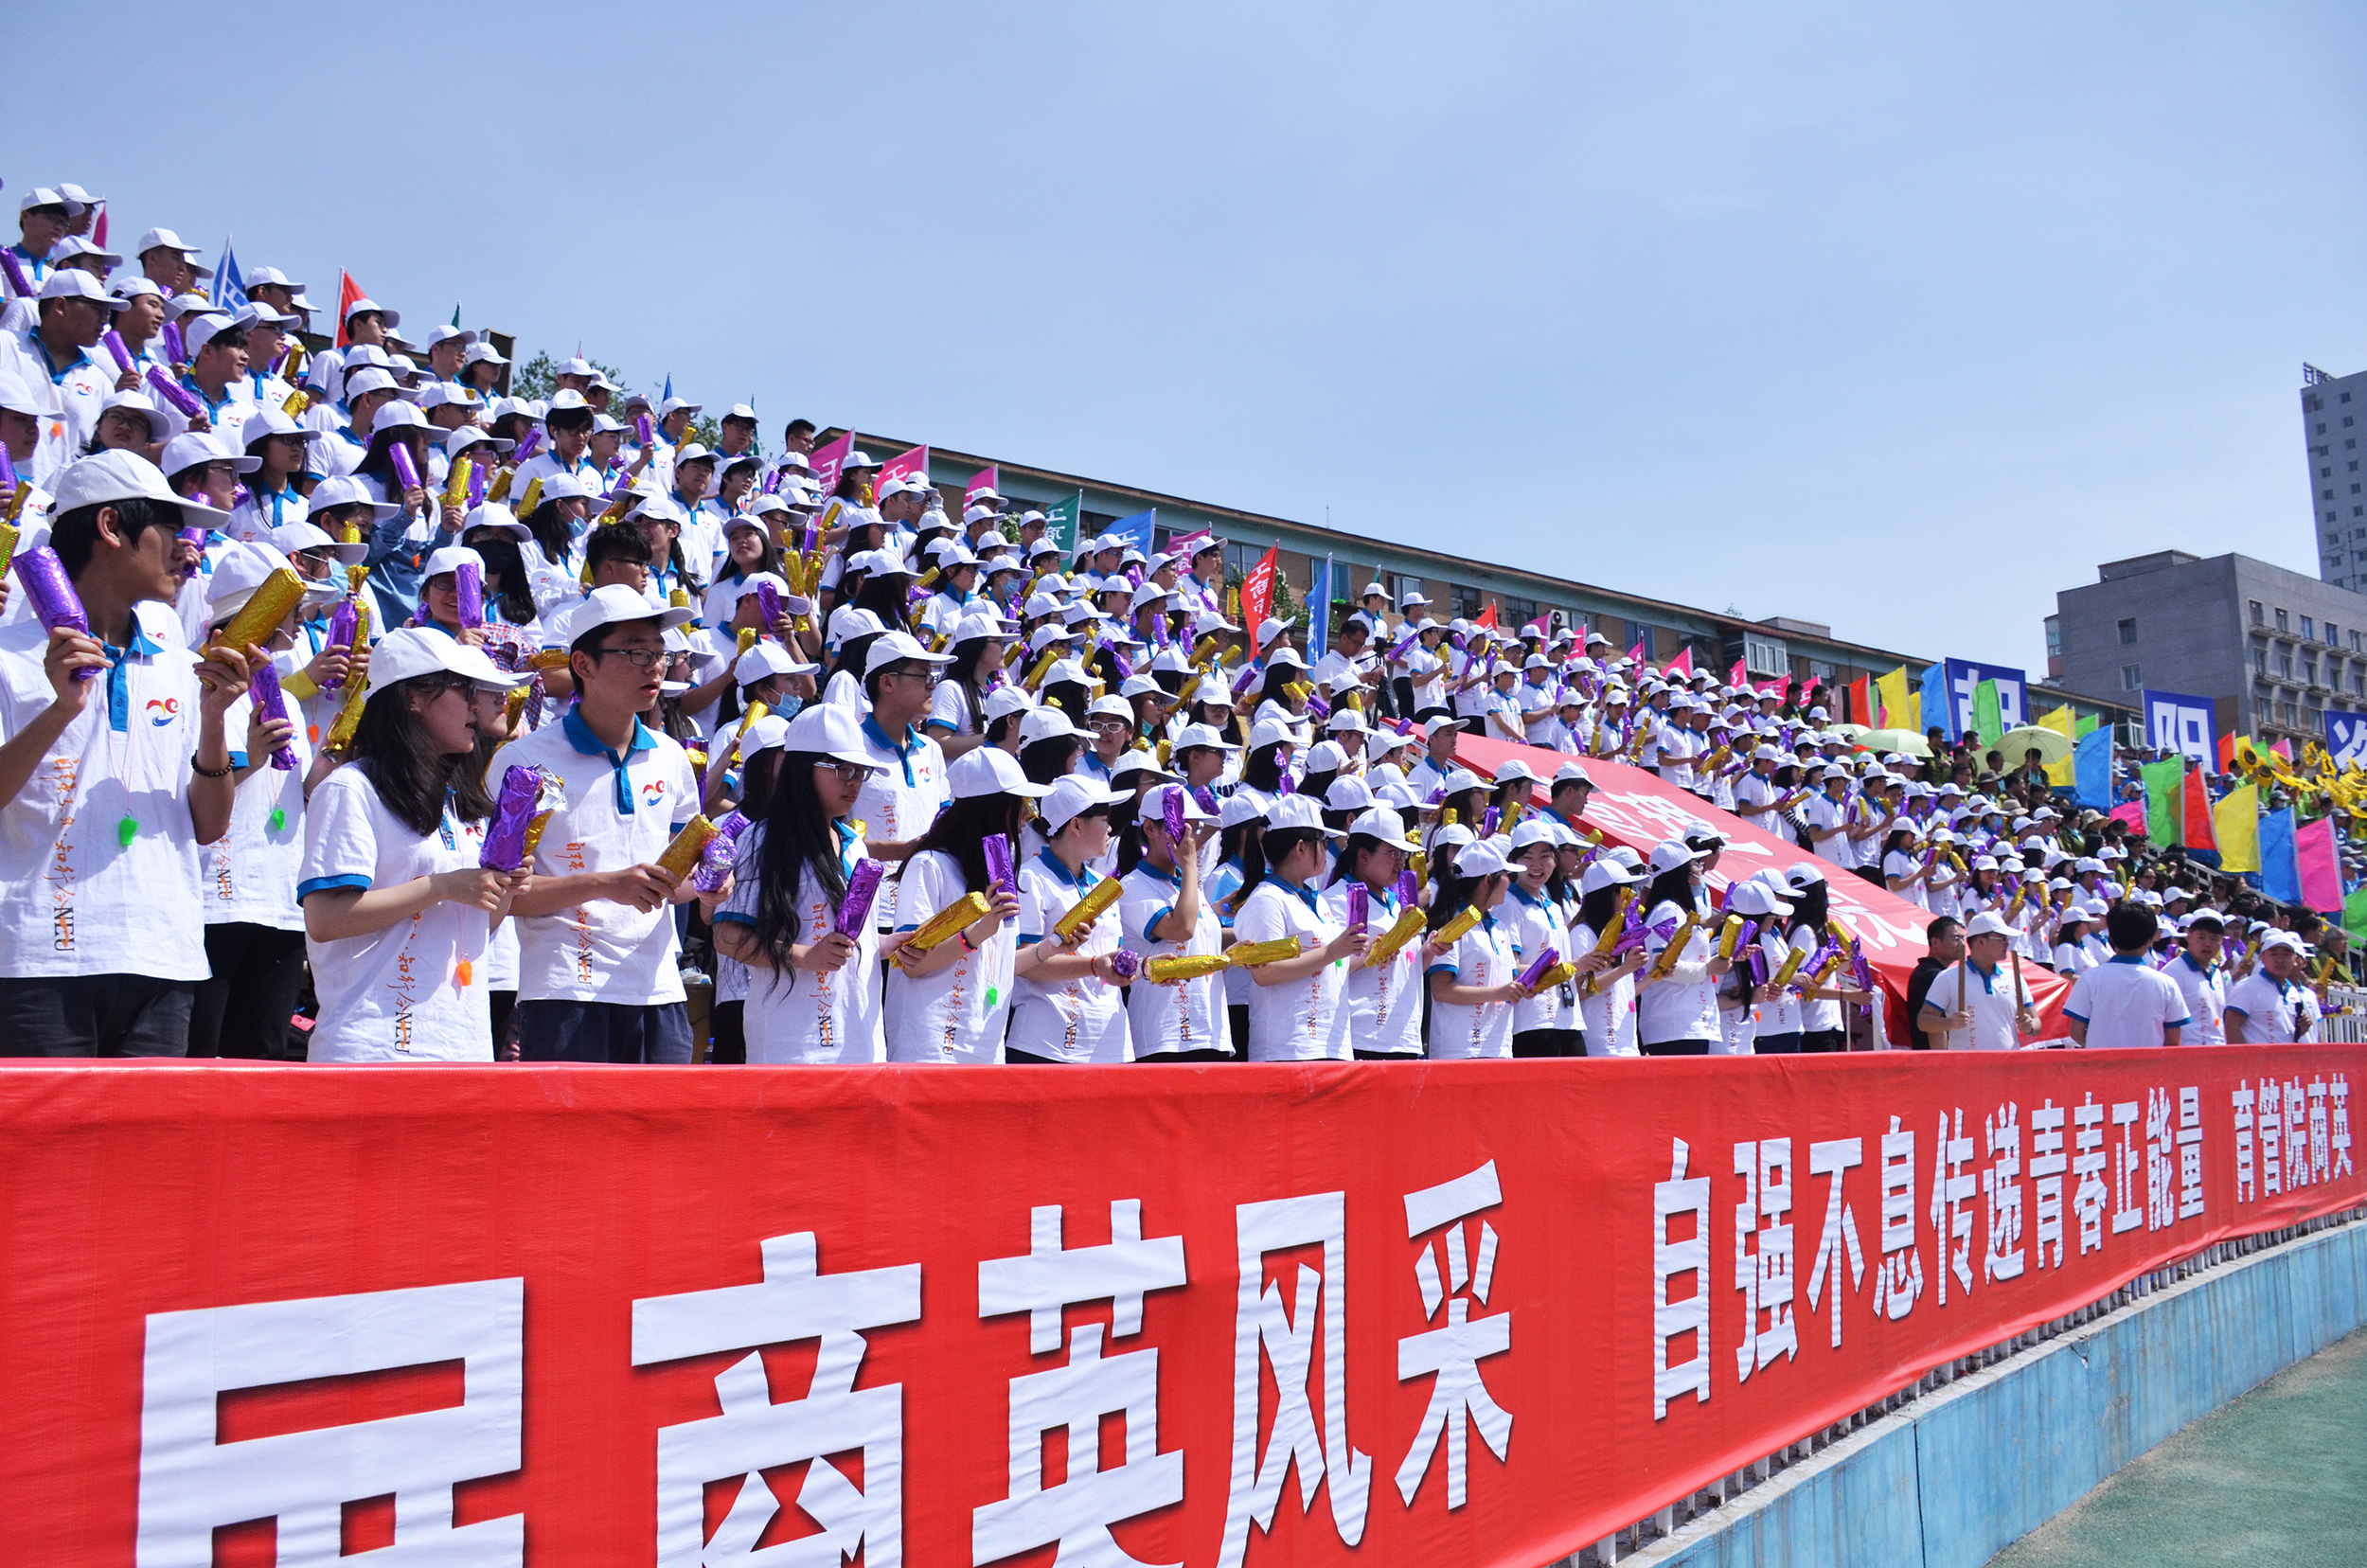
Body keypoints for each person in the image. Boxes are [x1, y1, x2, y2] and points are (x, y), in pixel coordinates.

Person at [0, 452, 252, 1056]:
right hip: (39, 961)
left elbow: (210, 825)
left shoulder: (183, 669)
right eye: (169, 528)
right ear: (111, 526)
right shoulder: (10, 658)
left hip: (164, 960)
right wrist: (59, 710)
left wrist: (214, 722)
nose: (188, 550)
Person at [490, 586, 708, 1062]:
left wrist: (708, 885)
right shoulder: (523, 761)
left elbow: (678, 882)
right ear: (583, 664)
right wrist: (606, 885)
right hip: (566, 992)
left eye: (660, 653)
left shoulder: (672, 757)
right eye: (635, 652)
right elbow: (501, 895)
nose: (654, 666)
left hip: (658, 989)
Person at [298, 629, 529, 1060]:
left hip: (462, 1048)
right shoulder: (351, 789)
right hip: (373, 1051)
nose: (477, 705)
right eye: (463, 689)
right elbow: (326, 918)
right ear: (412, 698)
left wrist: (504, 889)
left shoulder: (460, 799)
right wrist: (442, 886)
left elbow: (474, 928)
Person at [188, 546, 316, 1059]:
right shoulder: (195, 684)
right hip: (215, 902)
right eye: (292, 610)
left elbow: (298, 789)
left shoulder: (286, 695)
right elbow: (187, 793)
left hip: (279, 904)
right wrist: (252, 759)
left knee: (261, 1057)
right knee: (202, 1051)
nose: (299, 622)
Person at [715, 703, 890, 1063]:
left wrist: (893, 945)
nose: (855, 781)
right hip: (793, 1048)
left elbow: (851, 940)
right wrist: (805, 957)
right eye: (843, 769)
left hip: (861, 1042)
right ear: (802, 769)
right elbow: (727, 936)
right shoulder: (761, 839)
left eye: (862, 771)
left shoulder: (854, 845)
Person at [883, 744, 1038, 1063]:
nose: (1028, 816)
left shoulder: (997, 870)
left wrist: (1056, 943)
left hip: (986, 1048)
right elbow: (912, 963)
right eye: (1020, 804)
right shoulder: (929, 865)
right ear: (992, 808)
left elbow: (1001, 963)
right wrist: (977, 931)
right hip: (932, 1049)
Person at [1231, 794, 1367, 1059]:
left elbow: (1335, 964)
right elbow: (1266, 972)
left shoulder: (1315, 901)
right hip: (1289, 1050)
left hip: (1330, 1046)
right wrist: (1333, 951)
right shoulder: (1267, 900)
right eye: (1323, 842)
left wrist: (1364, 949)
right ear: (1301, 848)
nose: (1327, 850)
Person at [1007, 775, 1130, 1063]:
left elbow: (1112, 954)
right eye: (1104, 820)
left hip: (1111, 1043)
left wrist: (1142, 966)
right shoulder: (1030, 879)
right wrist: (1093, 966)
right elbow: (1022, 962)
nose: (1110, 828)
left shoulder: (1103, 884)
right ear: (1076, 825)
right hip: (1047, 1044)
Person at [1118, 782, 1231, 1060]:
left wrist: (1236, 952)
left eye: (1195, 829)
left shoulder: (1186, 885)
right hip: (1165, 1039)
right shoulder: (1134, 886)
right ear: (1149, 828)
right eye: (1182, 829)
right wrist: (1190, 866)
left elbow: (1201, 944)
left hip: (1211, 1031)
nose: (1190, 840)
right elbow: (1182, 928)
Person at [1324, 806, 1426, 1060]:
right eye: (1393, 853)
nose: (1401, 861)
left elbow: (1408, 967)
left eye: (1403, 854)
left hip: (1404, 1037)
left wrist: (1431, 950)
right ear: (1363, 855)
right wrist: (1387, 941)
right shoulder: (1336, 900)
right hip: (1364, 1037)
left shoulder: (1396, 904)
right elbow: (1334, 964)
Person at [1425, 838, 1526, 1060]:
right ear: (1488, 880)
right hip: (1460, 1050)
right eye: (1506, 874)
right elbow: (1441, 990)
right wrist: (1500, 992)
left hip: (1498, 1046)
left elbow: (1510, 978)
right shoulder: (1452, 926)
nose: (1510, 881)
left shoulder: (1499, 928)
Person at [1634, 839, 1726, 1055]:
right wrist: (1708, 969)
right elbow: (1662, 967)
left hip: (1691, 1022)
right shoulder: (1668, 912)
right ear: (1682, 874)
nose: (1701, 871)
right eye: (1696, 865)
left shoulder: (1678, 910)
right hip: (1674, 1025)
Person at [2063, 903, 2189, 1048]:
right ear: (2149, 940)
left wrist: (2098, 1048)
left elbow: (2076, 1032)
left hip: (2102, 1062)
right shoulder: (2166, 983)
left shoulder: (2090, 978)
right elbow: (2173, 1040)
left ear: (2111, 936)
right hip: (2148, 1062)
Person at [1916, 911, 2040, 1050]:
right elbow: (1923, 1020)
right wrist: (1950, 1023)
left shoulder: (2014, 978)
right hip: (1968, 1062)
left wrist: (2030, 1026)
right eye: (2001, 939)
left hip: (2009, 1061)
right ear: (1981, 941)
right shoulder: (1948, 978)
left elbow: (2036, 1021)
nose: (2007, 943)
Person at [2226, 931, 2316, 1044]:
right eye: (2273, 954)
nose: (2280, 960)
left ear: (2295, 960)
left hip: (2284, 1055)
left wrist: (2302, 1028)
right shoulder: (2248, 987)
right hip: (2258, 1055)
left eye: (2286, 955)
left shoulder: (2292, 991)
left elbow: (2284, 1033)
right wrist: (2243, 1055)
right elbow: (2231, 1024)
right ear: (2262, 957)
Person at [2166, 910, 2229, 1045]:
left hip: (2217, 1052)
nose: (2207, 944)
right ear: (2189, 936)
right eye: (2201, 937)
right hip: (2188, 1052)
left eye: (2214, 939)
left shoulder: (2217, 974)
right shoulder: (2173, 972)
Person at [1903, 916, 1965, 1050]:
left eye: (1963, 938)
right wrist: (1941, 1059)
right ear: (1936, 943)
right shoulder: (1932, 975)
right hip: (1932, 1056)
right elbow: (1934, 1025)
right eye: (1956, 939)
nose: (1962, 944)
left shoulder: (1926, 971)